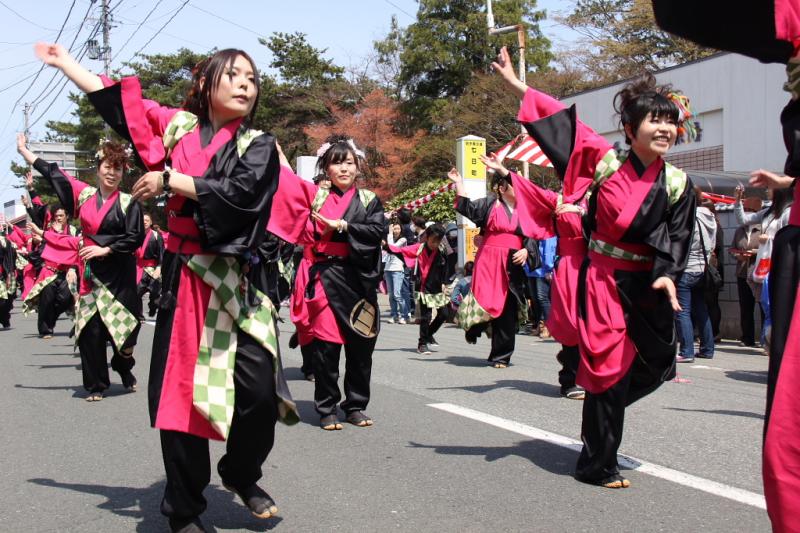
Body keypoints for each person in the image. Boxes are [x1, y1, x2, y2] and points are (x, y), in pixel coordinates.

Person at [35, 42, 301, 532]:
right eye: (235, 75)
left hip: (237, 281)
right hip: (186, 278)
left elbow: (242, 198)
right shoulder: (177, 126)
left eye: (252, 78)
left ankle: (241, 473)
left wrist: (171, 180)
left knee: (259, 393)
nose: (246, 84)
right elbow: (121, 105)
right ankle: (183, 508)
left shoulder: (259, 144)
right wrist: (67, 63)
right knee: (184, 397)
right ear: (206, 84)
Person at [493, 46, 695, 488]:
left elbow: (680, 236)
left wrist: (667, 272)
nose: (664, 128)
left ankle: (605, 408)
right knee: (608, 370)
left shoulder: (679, 182)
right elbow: (567, 125)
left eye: (670, 122)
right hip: (603, 280)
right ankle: (598, 463)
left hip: (649, 284)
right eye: (653, 120)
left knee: (659, 366)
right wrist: (519, 87)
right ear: (629, 128)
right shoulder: (605, 163)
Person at [269, 135, 385, 431]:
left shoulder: (369, 199)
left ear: (358, 167)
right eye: (337, 163)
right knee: (327, 349)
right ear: (326, 168)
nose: (344, 168)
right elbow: (289, 186)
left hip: (359, 280)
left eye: (349, 162)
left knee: (361, 348)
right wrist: (279, 153)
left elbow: (375, 232)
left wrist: (344, 226)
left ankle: (356, 405)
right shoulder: (316, 196)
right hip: (325, 277)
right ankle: (327, 407)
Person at [18, 127, 144, 398]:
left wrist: (106, 249)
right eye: (108, 167)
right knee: (91, 333)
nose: (112, 173)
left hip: (120, 277)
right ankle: (96, 386)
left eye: (118, 169)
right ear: (98, 169)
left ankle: (123, 364)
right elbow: (54, 174)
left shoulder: (128, 202)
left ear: (123, 173)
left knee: (128, 337)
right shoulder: (84, 195)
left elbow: (135, 238)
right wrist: (26, 153)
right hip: (91, 276)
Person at [449, 165, 535, 369]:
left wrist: (527, 251)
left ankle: (501, 356)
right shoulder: (490, 204)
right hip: (488, 261)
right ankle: (474, 327)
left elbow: (533, 235)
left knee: (506, 308)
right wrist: (459, 183)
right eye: (516, 185)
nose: (520, 189)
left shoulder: (526, 211)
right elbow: (466, 207)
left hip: (511, 262)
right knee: (484, 301)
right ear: (502, 187)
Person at [390, 223, 448, 355]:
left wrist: (445, 283)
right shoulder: (419, 248)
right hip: (423, 287)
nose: (435, 243)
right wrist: (385, 246)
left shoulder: (442, 249)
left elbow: (446, 267)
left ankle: (428, 334)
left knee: (444, 314)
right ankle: (422, 344)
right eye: (433, 240)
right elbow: (400, 251)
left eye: (438, 240)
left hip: (438, 287)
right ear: (427, 237)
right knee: (426, 316)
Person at [674, 186, 717, 363]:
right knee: (701, 309)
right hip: (703, 268)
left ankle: (686, 351)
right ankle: (707, 348)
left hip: (686, 267)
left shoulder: (688, 216)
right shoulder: (710, 217)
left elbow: (682, 243)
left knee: (682, 311)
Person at [23, 207, 78, 339]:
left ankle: (50, 319)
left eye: (61, 215)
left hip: (66, 272)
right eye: (56, 216)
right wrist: (39, 241)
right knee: (46, 301)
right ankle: (46, 330)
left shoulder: (74, 231)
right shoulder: (47, 231)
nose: (58, 218)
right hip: (49, 271)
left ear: (67, 216)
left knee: (65, 299)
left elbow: (74, 248)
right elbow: (42, 248)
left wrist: (73, 268)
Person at [729, 204, 763, 347]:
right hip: (742, 272)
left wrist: (754, 253)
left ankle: (764, 339)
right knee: (745, 306)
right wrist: (737, 255)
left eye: (749, 212)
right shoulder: (739, 231)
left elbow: (767, 248)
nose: (747, 216)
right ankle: (747, 338)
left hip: (758, 272)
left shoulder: (762, 229)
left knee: (763, 306)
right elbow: (731, 249)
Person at [135, 213, 164, 320]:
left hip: (153, 268)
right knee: (136, 292)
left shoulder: (156, 236)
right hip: (139, 268)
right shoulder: (135, 235)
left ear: (151, 222)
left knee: (155, 293)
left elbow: (161, 253)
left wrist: (159, 267)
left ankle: (153, 307)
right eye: (142, 220)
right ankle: (139, 315)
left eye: (147, 220)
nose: (144, 222)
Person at [526, 237, 556, 339]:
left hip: (543, 269)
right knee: (535, 299)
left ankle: (549, 326)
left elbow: (549, 247)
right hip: (531, 267)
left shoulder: (547, 229)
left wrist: (549, 267)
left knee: (542, 298)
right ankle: (540, 325)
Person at [384, 222, 407, 324]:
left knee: (397, 294)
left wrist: (389, 233)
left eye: (397, 229)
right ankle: (394, 315)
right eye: (394, 229)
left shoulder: (403, 240)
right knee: (391, 295)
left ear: (401, 229)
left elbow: (392, 247)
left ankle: (404, 315)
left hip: (397, 269)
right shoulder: (390, 239)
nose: (396, 231)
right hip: (388, 269)